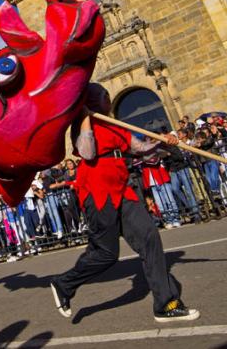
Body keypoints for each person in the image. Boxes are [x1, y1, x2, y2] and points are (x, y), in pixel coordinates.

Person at [50, 83, 199, 323]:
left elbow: (140, 149)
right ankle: (64, 284)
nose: (108, 99)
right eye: (103, 96)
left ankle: (166, 304)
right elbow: (87, 153)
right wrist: (85, 118)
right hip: (98, 190)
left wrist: (162, 142)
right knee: (106, 254)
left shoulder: (115, 124)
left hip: (122, 188)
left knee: (149, 237)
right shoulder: (80, 125)